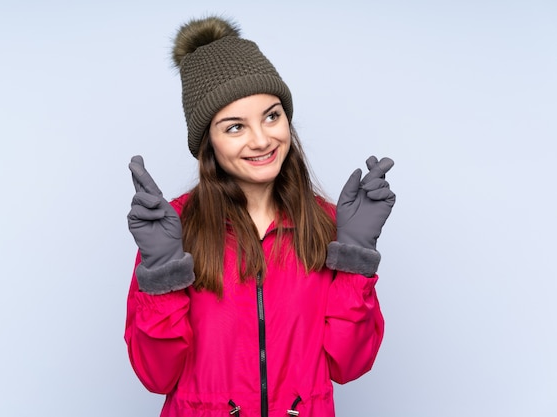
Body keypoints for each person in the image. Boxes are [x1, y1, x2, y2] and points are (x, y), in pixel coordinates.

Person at [124, 15, 396, 417]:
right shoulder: (174, 230)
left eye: (272, 115)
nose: (262, 139)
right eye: (235, 127)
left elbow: (349, 365)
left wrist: (355, 254)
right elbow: (156, 376)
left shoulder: (325, 225)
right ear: (207, 144)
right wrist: (163, 271)